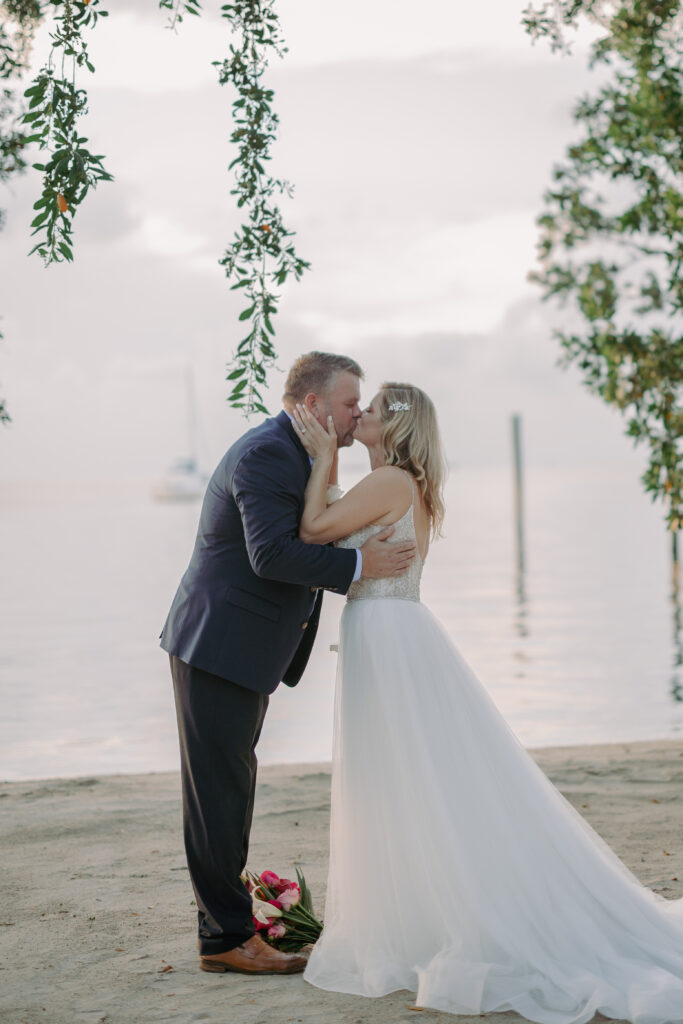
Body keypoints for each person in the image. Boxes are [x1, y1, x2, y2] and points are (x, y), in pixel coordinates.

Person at [290, 383, 683, 1024]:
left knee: (401, 778)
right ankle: (420, 908)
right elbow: (337, 525)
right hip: (387, 631)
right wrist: (329, 469)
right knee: (399, 781)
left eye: (371, 407)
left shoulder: (390, 480)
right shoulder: (389, 479)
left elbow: (312, 527)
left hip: (387, 634)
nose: (357, 413)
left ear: (396, 425)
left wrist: (316, 461)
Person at [160, 353, 417, 976]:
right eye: (350, 401)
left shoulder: (297, 453)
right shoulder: (267, 454)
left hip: (240, 649)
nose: (358, 413)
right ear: (312, 405)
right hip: (219, 645)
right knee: (218, 795)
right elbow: (272, 554)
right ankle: (225, 938)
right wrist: (361, 568)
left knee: (229, 786)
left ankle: (229, 928)